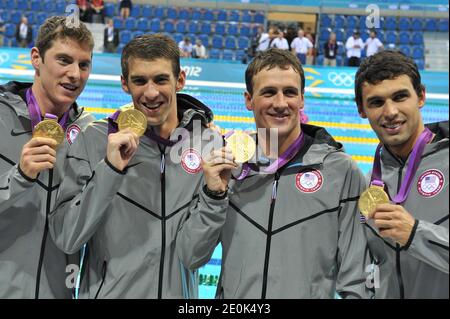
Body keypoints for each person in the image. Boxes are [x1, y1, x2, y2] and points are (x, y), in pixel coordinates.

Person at [176, 48, 372, 298]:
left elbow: (357, 279)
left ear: (302, 99)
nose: (280, 103)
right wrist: (213, 196)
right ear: (249, 100)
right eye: (268, 92)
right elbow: (191, 256)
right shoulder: (225, 166)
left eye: (289, 92)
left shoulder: (341, 171)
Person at [49, 34, 219, 298]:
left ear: (180, 80)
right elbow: (67, 237)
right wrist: (110, 170)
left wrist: (215, 194)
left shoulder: (207, 142)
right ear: (125, 84)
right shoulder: (94, 140)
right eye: (140, 81)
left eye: (161, 79)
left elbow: (195, 255)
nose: (151, 92)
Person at [0, 16, 95, 299]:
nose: (75, 74)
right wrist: (19, 178)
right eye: (64, 60)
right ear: (36, 58)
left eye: (83, 64)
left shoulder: (91, 134)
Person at [355, 50, 448, 298]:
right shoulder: (367, 184)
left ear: (421, 96)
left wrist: (416, 234)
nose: (391, 112)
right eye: (376, 102)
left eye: (400, 97)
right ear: (361, 110)